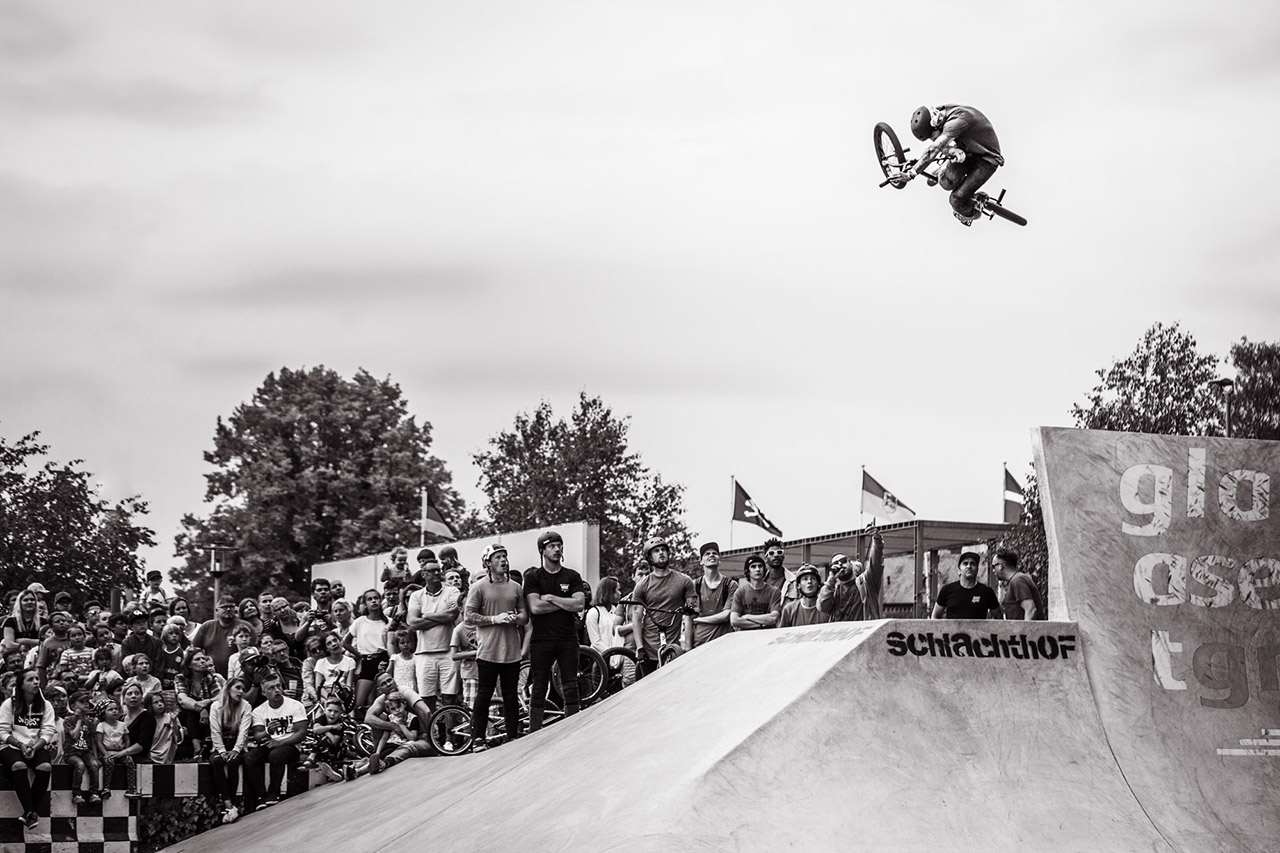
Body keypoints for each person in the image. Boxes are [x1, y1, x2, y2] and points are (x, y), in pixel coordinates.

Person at [523, 530, 589, 732]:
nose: (557, 549)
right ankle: (534, 732)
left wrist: (551, 598)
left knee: (570, 684)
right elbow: (535, 607)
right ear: (542, 550)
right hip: (541, 638)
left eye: (559, 545)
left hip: (567, 637)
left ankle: (573, 729)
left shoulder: (572, 575)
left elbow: (579, 604)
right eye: (552, 546)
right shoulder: (533, 577)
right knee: (539, 686)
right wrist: (565, 603)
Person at [465, 543, 529, 748]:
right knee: (484, 695)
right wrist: (495, 619)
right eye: (498, 557)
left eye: (504, 556)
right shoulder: (479, 587)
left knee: (511, 695)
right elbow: (469, 615)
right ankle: (477, 738)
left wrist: (515, 619)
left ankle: (512, 736)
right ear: (488, 563)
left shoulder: (516, 587)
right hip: (488, 651)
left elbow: (524, 615)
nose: (503, 560)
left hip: (511, 650)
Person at [906, 103, 1004, 226]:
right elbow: (938, 145)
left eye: (933, 136)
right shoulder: (940, 113)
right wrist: (951, 150)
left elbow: (933, 149)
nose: (934, 140)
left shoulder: (955, 122)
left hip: (987, 160)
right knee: (947, 184)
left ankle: (974, 211)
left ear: (936, 125)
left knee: (956, 200)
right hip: (968, 151)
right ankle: (944, 170)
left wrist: (911, 173)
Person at [243, 671, 309, 811]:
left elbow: (302, 733)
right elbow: (257, 736)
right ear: (264, 692)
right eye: (271, 688)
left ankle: (274, 792)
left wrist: (279, 742)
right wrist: (268, 732)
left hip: (290, 745)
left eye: (278, 686)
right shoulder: (259, 711)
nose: (277, 690)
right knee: (249, 757)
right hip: (270, 743)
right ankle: (261, 796)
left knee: (276, 755)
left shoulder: (295, 705)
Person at [405, 550, 461, 712]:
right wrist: (440, 617)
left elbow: (452, 615)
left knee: (450, 698)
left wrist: (427, 615)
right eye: (432, 570)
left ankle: (451, 737)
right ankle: (430, 735)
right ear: (423, 574)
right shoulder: (416, 596)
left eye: (438, 570)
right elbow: (413, 622)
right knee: (426, 699)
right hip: (424, 654)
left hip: (448, 652)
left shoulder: (452, 591)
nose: (437, 573)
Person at [631, 536, 695, 676]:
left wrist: (690, 609)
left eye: (663, 550)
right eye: (656, 551)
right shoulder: (642, 585)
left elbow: (692, 610)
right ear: (649, 558)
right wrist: (640, 648)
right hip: (648, 647)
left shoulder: (684, 581)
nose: (661, 553)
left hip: (673, 648)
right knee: (648, 691)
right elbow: (636, 618)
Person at [1, 668, 56, 830]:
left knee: (45, 767)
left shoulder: (45, 705)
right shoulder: (9, 704)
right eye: (30, 680)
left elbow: (48, 731)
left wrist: (35, 746)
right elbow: (2, 730)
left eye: (37, 679)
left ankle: (28, 813)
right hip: (11, 745)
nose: (36, 682)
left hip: (36, 745)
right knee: (19, 766)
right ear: (22, 685)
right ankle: (31, 811)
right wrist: (20, 745)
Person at [818, 524, 886, 622]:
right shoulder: (833, 591)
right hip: (842, 636)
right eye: (836, 564)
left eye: (843, 560)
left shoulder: (866, 582)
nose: (840, 564)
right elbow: (822, 607)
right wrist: (831, 580)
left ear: (851, 563)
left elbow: (875, 561)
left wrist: (876, 539)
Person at [209, 676, 252, 824]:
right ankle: (228, 804)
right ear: (228, 689)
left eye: (243, 689)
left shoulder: (246, 706)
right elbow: (215, 731)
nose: (241, 692)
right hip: (220, 744)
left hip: (237, 745)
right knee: (217, 762)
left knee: (233, 762)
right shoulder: (216, 706)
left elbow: (243, 732)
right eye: (237, 688)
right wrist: (221, 751)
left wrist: (236, 749)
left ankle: (231, 806)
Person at [343, 588, 390, 718]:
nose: (373, 601)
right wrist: (359, 655)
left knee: (383, 701)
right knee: (359, 704)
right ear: (365, 603)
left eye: (376, 598)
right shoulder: (360, 621)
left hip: (383, 661)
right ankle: (361, 732)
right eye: (369, 599)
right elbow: (345, 642)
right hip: (367, 662)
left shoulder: (388, 621)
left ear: (381, 600)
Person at [191, 596, 254, 677]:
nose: (228, 609)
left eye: (231, 606)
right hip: (211, 677)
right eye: (224, 607)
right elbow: (194, 650)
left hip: (240, 676)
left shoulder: (245, 626)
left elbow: (254, 650)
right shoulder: (206, 626)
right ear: (217, 610)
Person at [690, 541, 737, 648]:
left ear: (719, 559)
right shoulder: (694, 585)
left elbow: (726, 615)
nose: (711, 555)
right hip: (700, 645)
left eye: (714, 553)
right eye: (707, 554)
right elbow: (689, 617)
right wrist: (688, 648)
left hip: (724, 644)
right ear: (701, 561)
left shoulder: (730, 585)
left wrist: (699, 620)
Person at [96, 698, 142, 800]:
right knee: (109, 762)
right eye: (110, 709)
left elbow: (127, 739)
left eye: (116, 709)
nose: (114, 711)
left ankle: (131, 788)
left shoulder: (122, 725)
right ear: (103, 713)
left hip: (120, 752)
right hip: (107, 751)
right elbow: (98, 742)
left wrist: (125, 750)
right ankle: (106, 788)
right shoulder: (101, 725)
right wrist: (105, 754)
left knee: (129, 761)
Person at [931, 551, 1001, 619]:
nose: (969, 566)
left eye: (972, 564)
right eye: (965, 563)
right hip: (954, 631)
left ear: (977, 570)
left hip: (978, 631)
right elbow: (935, 616)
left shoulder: (987, 592)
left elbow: (999, 618)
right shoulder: (947, 590)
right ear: (959, 570)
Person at [62, 690, 101, 804]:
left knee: (94, 764)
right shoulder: (68, 720)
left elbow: (92, 740)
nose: (86, 704)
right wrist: (78, 720)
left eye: (87, 702)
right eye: (82, 702)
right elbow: (74, 735)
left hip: (85, 751)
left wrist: (95, 756)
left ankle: (94, 792)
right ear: (74, 706)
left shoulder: (89, 722)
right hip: (72, 752)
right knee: (80, 765)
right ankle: (76, 793)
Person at [730, 553, 782, 631]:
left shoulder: (774, 591)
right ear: (748, 571)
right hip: (745, 638)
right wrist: (762, 624)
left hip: (767, 637)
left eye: (760, 566)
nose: (757, 569)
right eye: (753, 567)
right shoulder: (740, 592)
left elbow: (773, 618)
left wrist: (748, 617)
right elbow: (734, 621)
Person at [993, 549, 1045, 620]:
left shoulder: (1017, 581)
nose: (993, 570)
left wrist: (1023, 630)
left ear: (1001, 566)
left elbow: (1030, 609)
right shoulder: (1016, 580)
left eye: (993, 566)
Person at [584, 577, 623, 652]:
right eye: (617, 590)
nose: (620, 593)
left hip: (615, 659)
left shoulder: (616, 611)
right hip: (599, 658)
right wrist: (611, 653)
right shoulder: (594, 613)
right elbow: (595, 641)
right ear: (609, 592)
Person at [3, 588, 45, 656]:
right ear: (20, 603)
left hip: (39, 655)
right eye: (25, 600)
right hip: (16, 656)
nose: (29, 602)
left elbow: (46, 643)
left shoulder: (43, 621)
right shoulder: (10, 621)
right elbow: (9, 644)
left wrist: (24, 641)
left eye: (32, 599)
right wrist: (35, 643)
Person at [148, 692, 184, 764]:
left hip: (167, 756)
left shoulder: (171, 717)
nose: (160, 704)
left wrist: (174, 721)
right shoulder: (147, 719)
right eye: (156, 702)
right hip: (150, 756)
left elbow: (178, 740)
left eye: (161, 701)